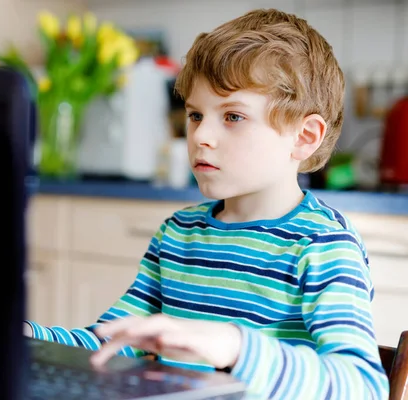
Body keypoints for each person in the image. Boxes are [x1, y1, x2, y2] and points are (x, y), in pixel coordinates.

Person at [24, 8, 389, 399]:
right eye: (196, 115)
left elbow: (361, 386)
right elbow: (112, 343)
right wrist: (25, 335)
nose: (202, 136)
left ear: (304, 137)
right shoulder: (178, 234)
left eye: (232, 116)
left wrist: (234, 345)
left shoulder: (322, 245)